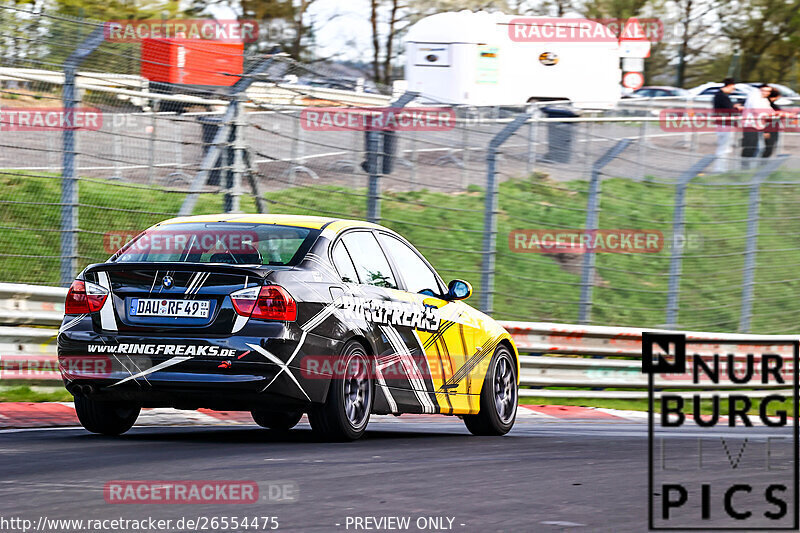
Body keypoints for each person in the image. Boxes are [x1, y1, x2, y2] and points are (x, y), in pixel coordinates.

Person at [712, 78, 742, 172]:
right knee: (724, 148)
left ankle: (721, 168)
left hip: (722, 123)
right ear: (729, 86)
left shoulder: (720, 95)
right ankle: (720, 169)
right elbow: (728, 110)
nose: (733, 90)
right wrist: (738, 109)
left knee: (723, 147)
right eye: (732, 88)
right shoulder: (722, 96)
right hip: (725, 124)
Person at [741, 83, 773, 168]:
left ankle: (755, 168)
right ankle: (745, 167)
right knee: (750, 148)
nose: (766, 93)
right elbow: (757, 110)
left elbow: (770, 112)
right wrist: (770, 114)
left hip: (759, 126)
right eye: (764, 91)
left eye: (768, 91)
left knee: (760, 148)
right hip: (750, 126)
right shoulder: (754, 98)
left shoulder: (764, 100)